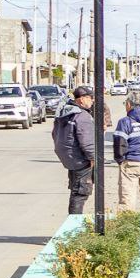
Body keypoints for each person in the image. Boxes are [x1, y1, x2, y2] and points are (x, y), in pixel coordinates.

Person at [52, 86, 97, 214]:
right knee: (80, 194)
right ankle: (75, 226)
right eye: (90, 98)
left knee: (75, 191)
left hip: (70, 158)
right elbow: (87, 141)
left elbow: (54, 134)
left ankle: (74, 223)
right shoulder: (82, 116)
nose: (92, 101)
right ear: (82, 99)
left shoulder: (65, 112)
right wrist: (93, 158)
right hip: (81, 160)